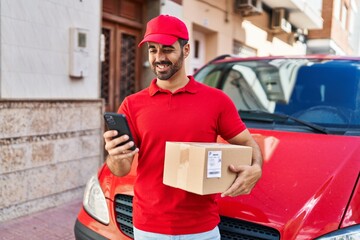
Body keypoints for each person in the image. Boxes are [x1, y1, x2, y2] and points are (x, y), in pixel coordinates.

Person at [104, 14, 263, 240]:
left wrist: (256, 168)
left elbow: (248, 143)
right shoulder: (132, 104)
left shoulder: (217, 101)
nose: (159, 57)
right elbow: (120, 169)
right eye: (152, 49)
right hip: (149, 228)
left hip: (201, 229)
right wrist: (114, 156)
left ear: (186, 50)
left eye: (167, 49)